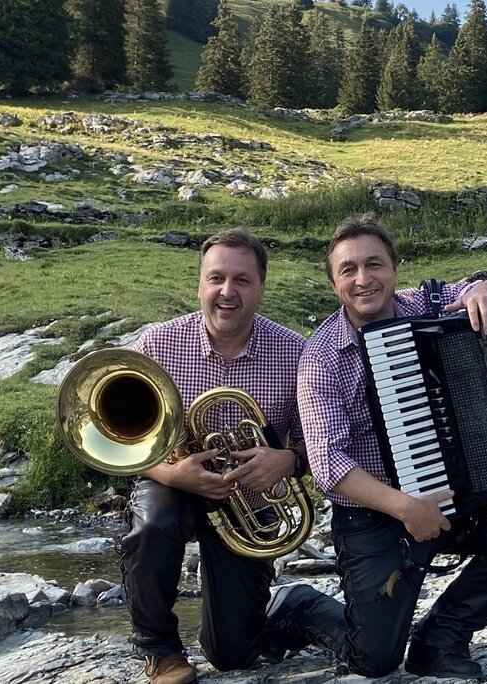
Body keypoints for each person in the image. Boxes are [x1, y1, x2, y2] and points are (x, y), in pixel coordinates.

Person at [297, 213, 487, 680]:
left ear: (395, 267)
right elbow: (327, 463)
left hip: (455, 497)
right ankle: (300, 605)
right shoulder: (321, 356)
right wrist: (405, 507)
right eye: (348, 270)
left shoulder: (431, 303)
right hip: (373, 511)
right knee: (374, 660)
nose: (363, 279)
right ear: (334, 282)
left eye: (374, 264)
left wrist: (486, 289)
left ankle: (441, 638)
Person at [120, 228, 345, 684]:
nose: (227, 292)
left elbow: (321, 439)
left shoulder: (295, 352)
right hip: (175, 483)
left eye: (242, 280)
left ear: (261, 288)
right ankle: (159, 650)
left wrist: (288, 461)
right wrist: (173, 473)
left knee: (233, 656)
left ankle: (290, 604)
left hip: (251, 503)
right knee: (153, 525)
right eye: (216, 278)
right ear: (200, 285)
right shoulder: (158, 345)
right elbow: (121, 443)